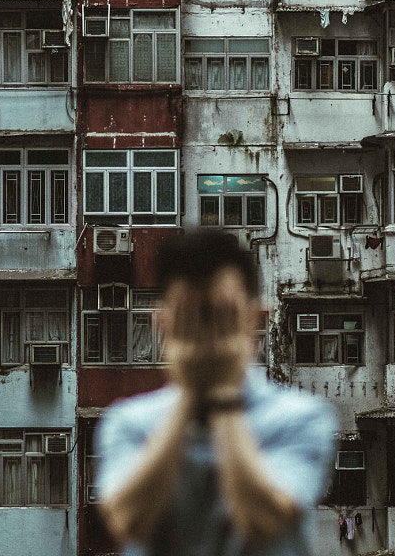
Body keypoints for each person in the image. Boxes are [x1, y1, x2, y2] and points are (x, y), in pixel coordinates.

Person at [95, 229, 337, 556]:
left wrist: (224, 396)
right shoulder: (128, 422)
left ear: (256, 319)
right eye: (192, 318)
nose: (206, 336)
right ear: (162, 323)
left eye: (221, 316)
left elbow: (263, 519)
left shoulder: (300, 417)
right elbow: (127, 520)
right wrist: (188, 399)